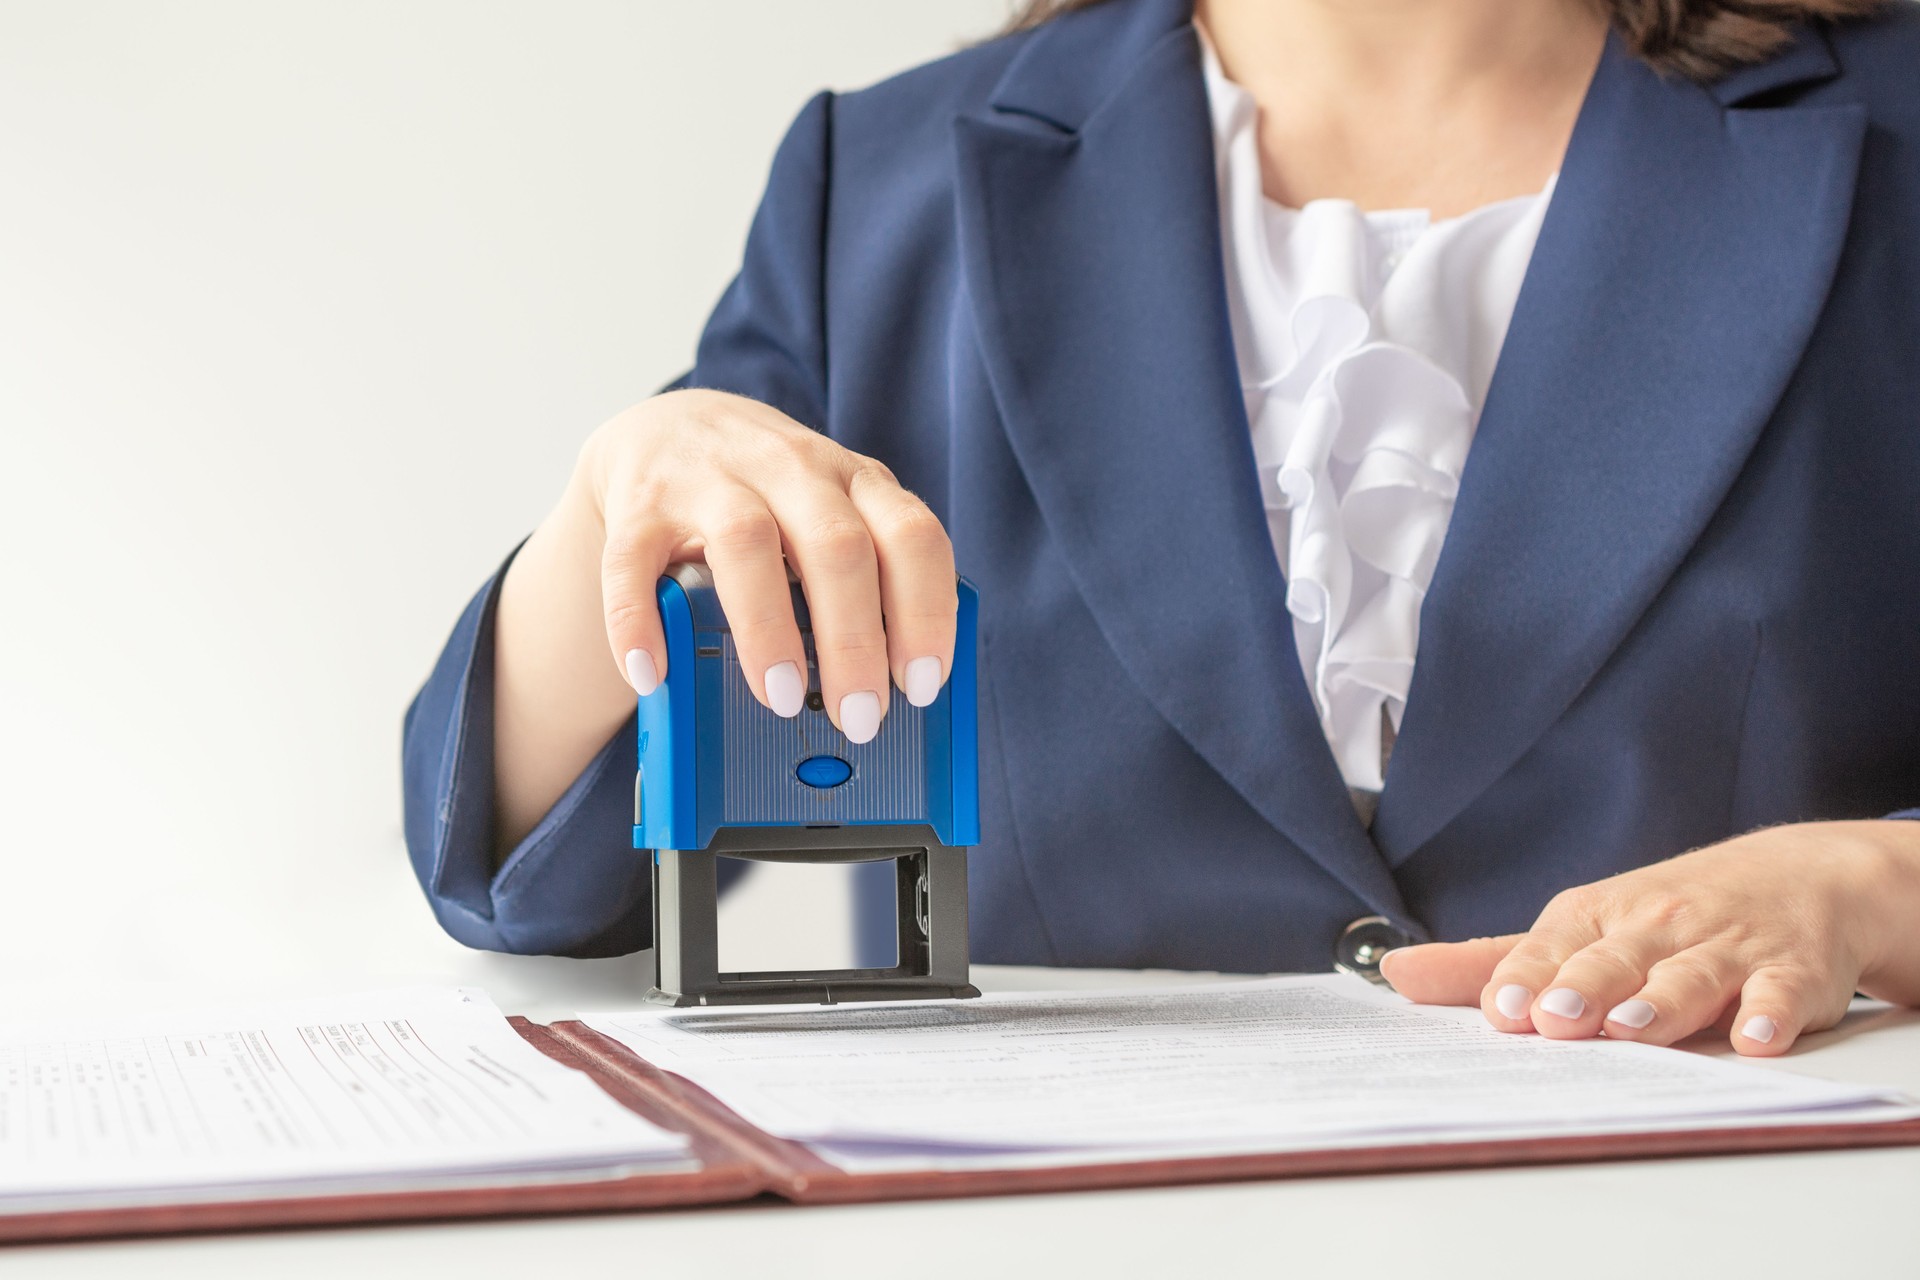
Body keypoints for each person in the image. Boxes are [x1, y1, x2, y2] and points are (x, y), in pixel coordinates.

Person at [403, 0, 1920, 1055]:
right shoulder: (879, 183)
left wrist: (1878, 884)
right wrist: (619, 492)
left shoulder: (1894, 136)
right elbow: (537, 863)